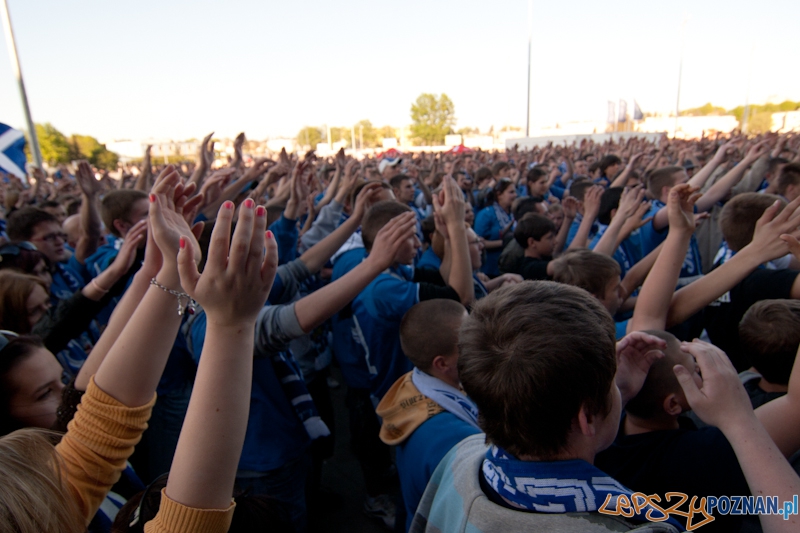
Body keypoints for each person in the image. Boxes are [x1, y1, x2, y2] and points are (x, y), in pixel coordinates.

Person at [410, 281, 674, 533]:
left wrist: (615, 393)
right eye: (612, 382)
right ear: (587, 415)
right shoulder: (637, 526)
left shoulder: (460, 457)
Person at [377, 299, 481, 532]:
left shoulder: (414, 384)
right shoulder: (454, 438)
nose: (478, 343)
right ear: (442, 363)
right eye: (467, 341)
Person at [474, 178, 516, 277]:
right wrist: (504, 243)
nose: (515, 195)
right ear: (499, 195)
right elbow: (478, 241)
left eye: (515, 192)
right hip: (491, 269)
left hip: (510, 266)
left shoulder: (512, 213)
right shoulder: (486, 214)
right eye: (511, 192)